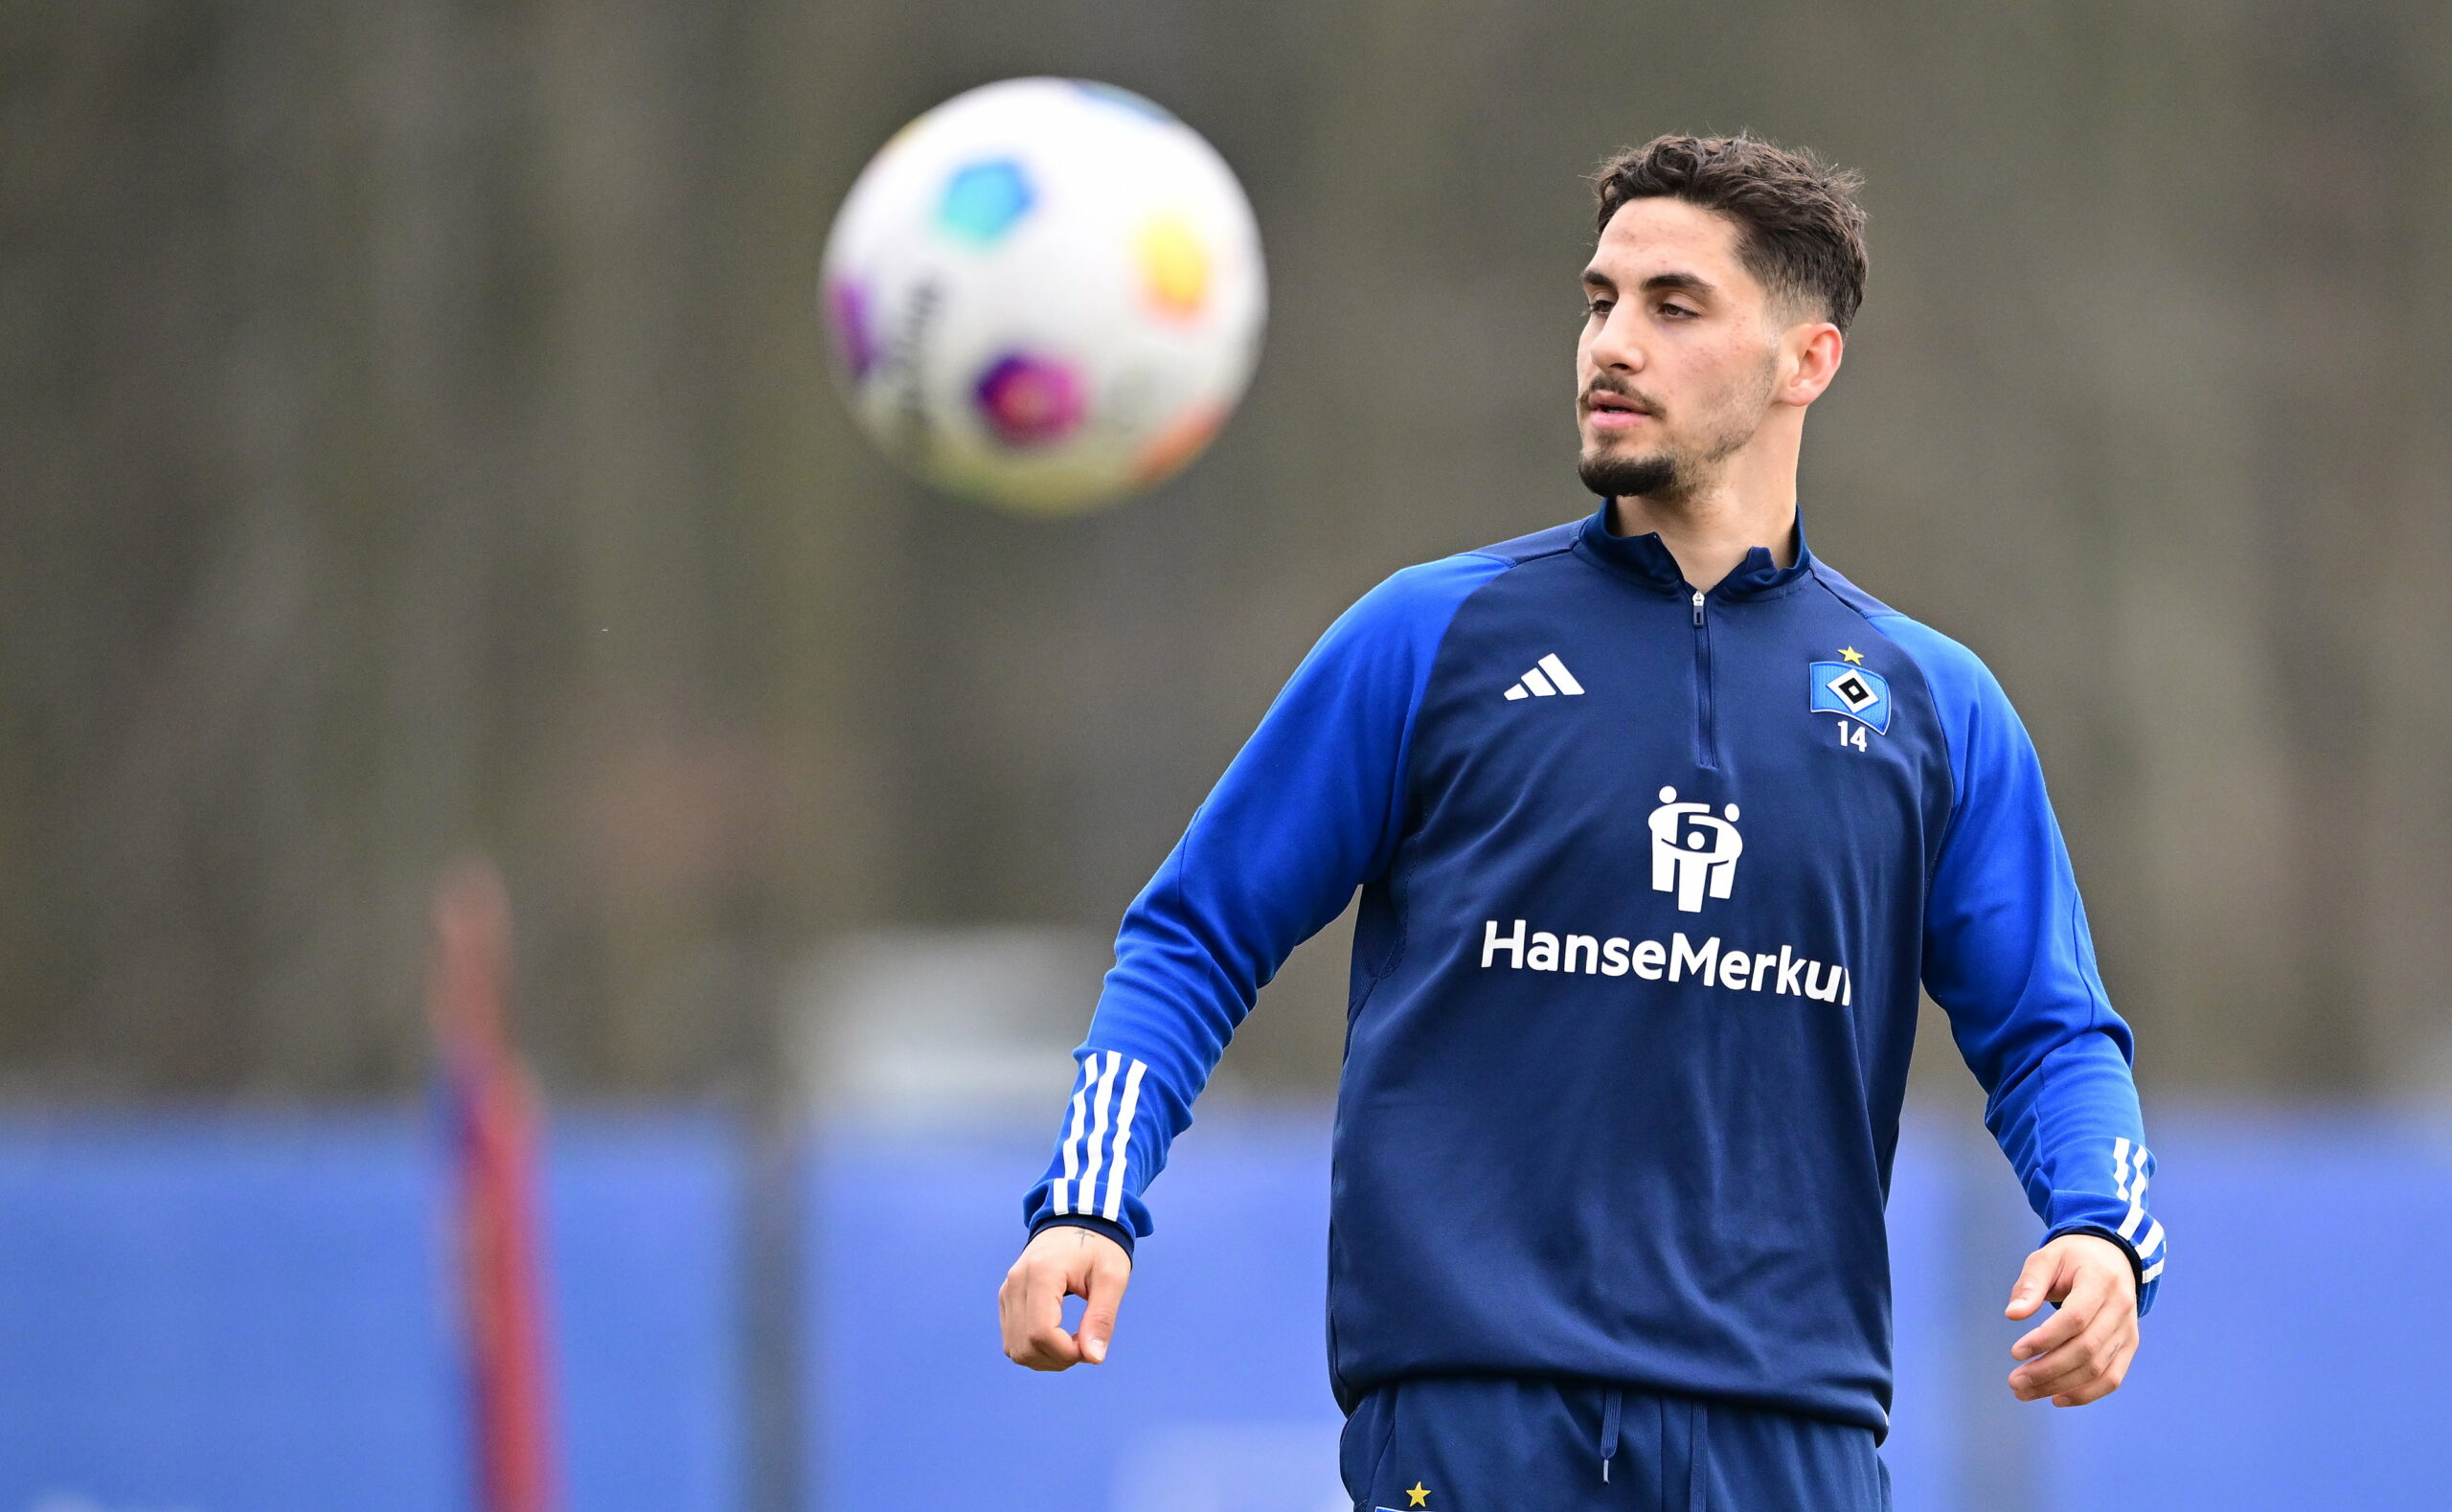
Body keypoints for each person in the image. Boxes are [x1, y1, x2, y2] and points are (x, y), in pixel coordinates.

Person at [995, 134, 2163, 1511]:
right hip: (1475, 1419)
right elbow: (1195, 935)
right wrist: (1088, 1199)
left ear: (1807, 361)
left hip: (1789, 1432)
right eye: (1600, 300)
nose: (1612, 342)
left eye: (1674, 306)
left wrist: (2101, 1228)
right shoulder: (1429, 639)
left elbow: (2052, 1029)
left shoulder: (1931, 704)